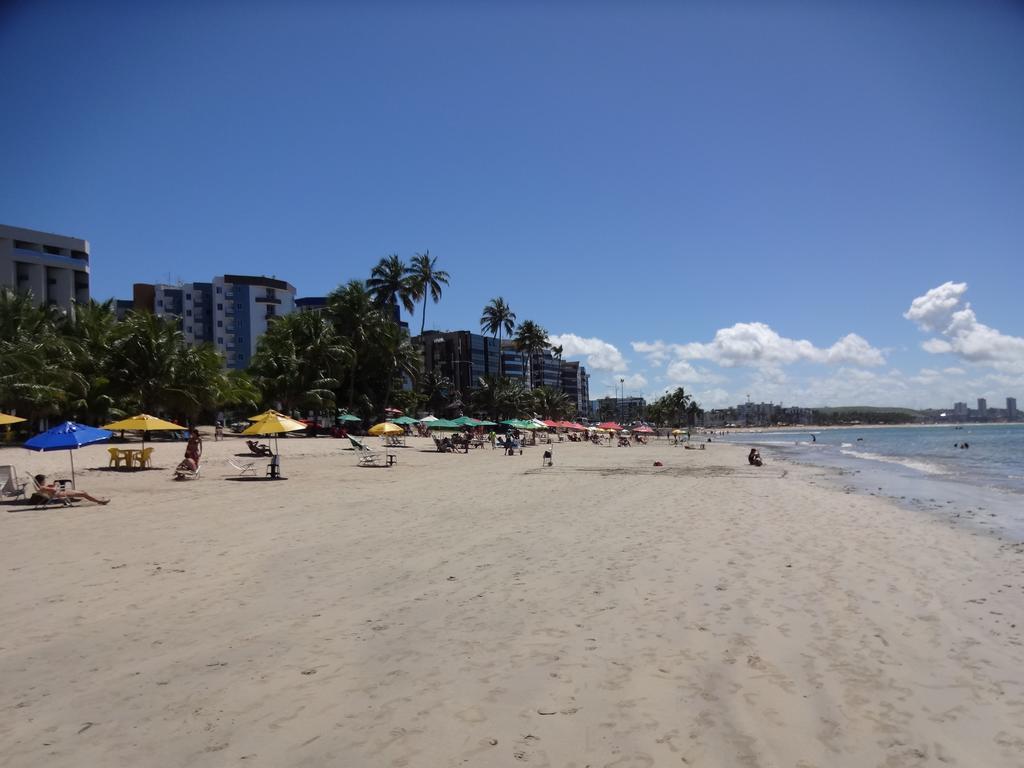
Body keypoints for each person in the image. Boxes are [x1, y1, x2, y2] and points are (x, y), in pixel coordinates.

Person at [32, 475, 109, 505]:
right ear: (41, 481)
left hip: (59, 493)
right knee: (83, 493)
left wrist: (53, 486)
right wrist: (55, 485)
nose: (45, 481)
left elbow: (51, 489)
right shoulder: (43, 487)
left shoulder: (42, 487)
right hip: (60, 494)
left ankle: (97, 499)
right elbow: (54, 490)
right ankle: (100, 501)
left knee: (83, 492)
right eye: (44, 480)